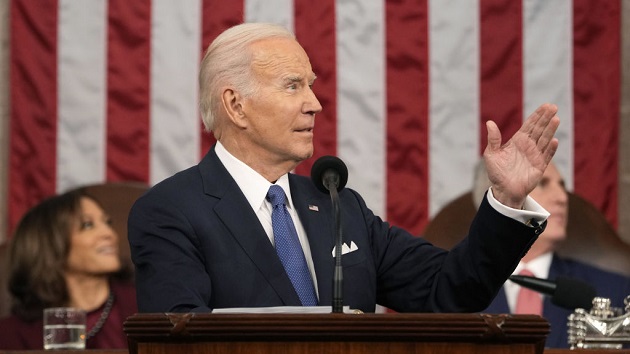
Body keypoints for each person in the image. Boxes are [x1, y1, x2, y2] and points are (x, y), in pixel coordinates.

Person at [128, 22, 560, 314]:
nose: (314, 104)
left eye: (311, 86)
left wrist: (505, 200)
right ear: (235, 105)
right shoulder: (171, 213)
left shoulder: (339, 206)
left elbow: (450, 289)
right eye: (293, 86)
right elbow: (180, 342)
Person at [474, 160, 630, 348]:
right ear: (498, 202)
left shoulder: (615, 292)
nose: (562, 197)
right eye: (543, 184)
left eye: (562, 186)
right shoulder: (452, 291)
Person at [0, 188, 137, 349]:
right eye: (87, 225)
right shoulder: (9, 335)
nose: (109, 233)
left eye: (107, 223)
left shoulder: (143, 308)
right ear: (51, 243)